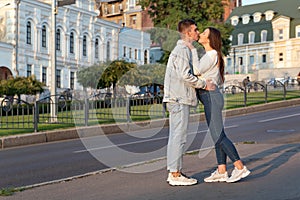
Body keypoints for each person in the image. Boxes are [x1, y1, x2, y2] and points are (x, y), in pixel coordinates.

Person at [186, 27, 251, 183]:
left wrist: (192, 50)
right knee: (217, 134)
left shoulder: (211, 54)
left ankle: (240, 167)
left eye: (204, 33)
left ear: (209, 39)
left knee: (218, 135)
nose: (200, 34)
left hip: (211, 97)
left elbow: (195, 70)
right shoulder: (212, 55)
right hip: (211, 96)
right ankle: (222, 170)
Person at [163, 19, 216, 186]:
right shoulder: (182, 50)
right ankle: (175, 174)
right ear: (187, 33)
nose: (197, 32)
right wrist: (204, 85)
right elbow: (185, 76)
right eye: (195, 30)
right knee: (179, 137)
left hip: (177, 98)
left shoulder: (184, 49)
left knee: (176, 137)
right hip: (179, 99)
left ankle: (175, 171)